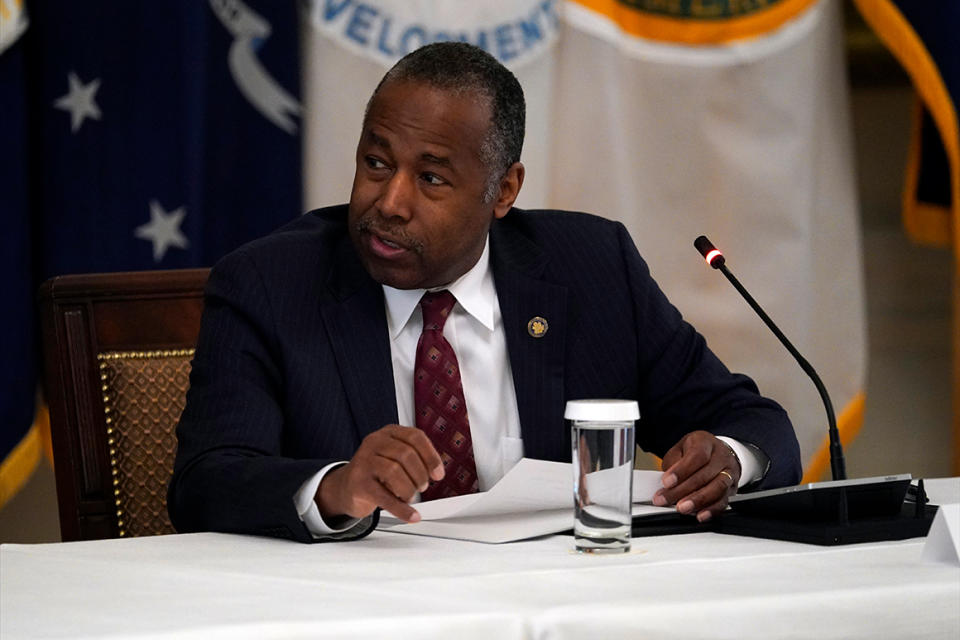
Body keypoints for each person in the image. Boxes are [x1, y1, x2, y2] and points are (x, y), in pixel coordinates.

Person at [168, 42, 801, 543]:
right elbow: (205, 482)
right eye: (377, 163)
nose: (389, 203)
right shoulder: (271, 283)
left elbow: (756, 425)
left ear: (503, 190)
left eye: (432, 177)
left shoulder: (591, 270)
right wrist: (336, 488)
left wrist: (729, 460)